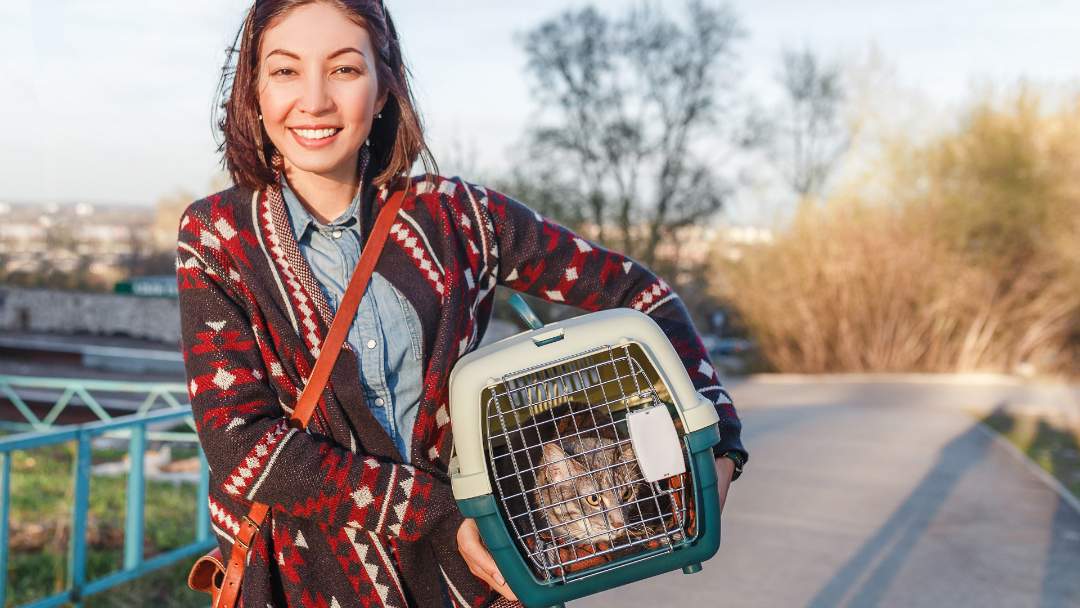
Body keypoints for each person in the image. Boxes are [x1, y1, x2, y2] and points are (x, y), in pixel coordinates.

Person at [176, 1, 747, 606]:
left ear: (382, 88)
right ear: (254, 90)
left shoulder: (460, 218)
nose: (314, 100)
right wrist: (445, 515)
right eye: (286, 71)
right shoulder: (217, 236)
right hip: (300, 585)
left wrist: (717, 436)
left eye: (344, 69)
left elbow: (643, 296)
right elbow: (244, 448)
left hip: (471, 584)